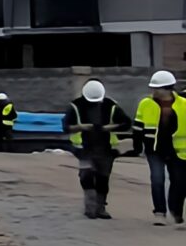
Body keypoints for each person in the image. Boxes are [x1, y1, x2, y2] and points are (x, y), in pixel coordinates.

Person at [67, 79, 124, 220]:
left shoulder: (111, 106)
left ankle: (100, 208)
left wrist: (108, 128)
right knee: (86, 176)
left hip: (106, 149)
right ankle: (90, 207)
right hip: (84, 148)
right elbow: (66, 126)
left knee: (103, 179)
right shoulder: (76, 106)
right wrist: (81, 127)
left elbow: (125, 123)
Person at [134, 70, 184, 226]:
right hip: (154, 149)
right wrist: (137, 147)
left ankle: (176, 211)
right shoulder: (145, 103)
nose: (153, 91)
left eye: (157, 88)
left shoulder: (183, 104)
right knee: (157, 179)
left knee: (179, 181)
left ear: (168, 88)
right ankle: (160, 212)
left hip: (176, 149)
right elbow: (137, 128)